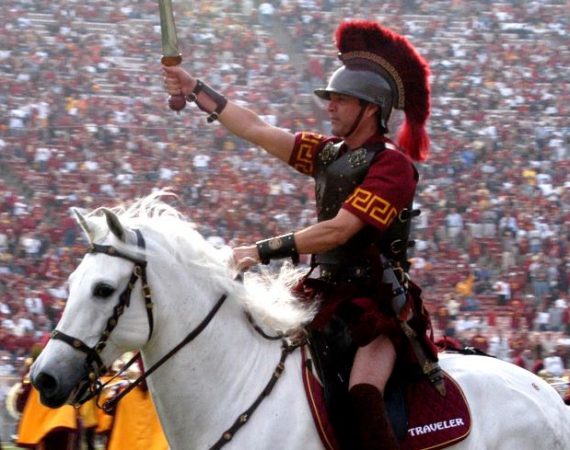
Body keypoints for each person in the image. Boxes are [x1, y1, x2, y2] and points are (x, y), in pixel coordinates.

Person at [163, 19, 440, 450]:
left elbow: (340, 230)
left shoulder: (392, 166)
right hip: (322, 295)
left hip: (377, 306)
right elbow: (255, 128)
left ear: (371, 109)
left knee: (364, 395)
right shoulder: (328, 152)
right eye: (330, 98)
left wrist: (260, 250)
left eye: (341, 99)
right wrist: (194, 87)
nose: (330, 107)